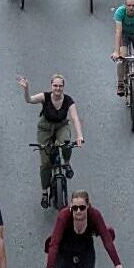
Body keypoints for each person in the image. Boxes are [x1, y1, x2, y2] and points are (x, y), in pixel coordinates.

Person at [18, 74, 84, 209]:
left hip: (61, 126)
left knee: (66, 143)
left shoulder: (68, 100)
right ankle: (44, 192)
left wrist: (79, 136)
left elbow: (75, 118)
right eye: (55, 85)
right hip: (45, 128)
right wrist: (26, 89)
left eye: (60, 86)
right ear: (51, 86)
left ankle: (66, 163)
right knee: (45, 163)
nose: (58, 88)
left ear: (63, 87)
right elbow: (29, 100)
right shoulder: (45, 97)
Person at [44, 191, 125, 268]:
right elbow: (54, 243)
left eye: (82, 208)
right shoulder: (63, 216)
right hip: (64, 251)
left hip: (85, 250)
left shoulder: (95, 215)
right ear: (71, 207)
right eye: (75, 208)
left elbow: (107, 241)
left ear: (87, 206)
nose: (78, 211)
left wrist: (118, 266)